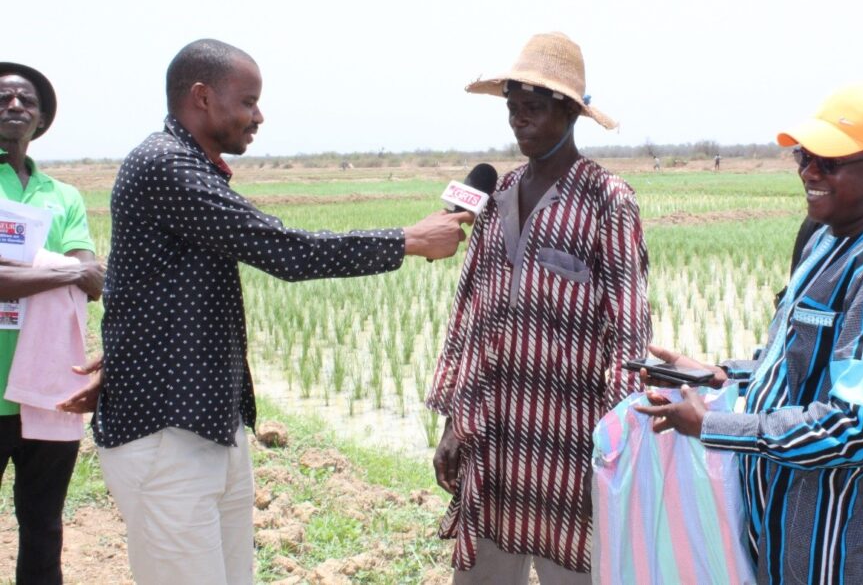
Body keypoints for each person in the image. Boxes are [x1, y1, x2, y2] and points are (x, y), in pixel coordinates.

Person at [86, 39, 472, 585]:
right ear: (202, 97)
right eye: (248, 102)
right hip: (166, 436)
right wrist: (405, 240)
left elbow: (150, 292)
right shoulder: (165, 165)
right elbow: (284, 249)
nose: (258, 116)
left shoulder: (189, 167)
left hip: (207, 426)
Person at [637, 84, 863, 583]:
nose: (809, 172)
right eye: (804, 157)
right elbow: (797, 365)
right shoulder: (826, 240)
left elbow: (853, 428)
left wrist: (714, 426)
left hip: (838, 553)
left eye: (830, 162)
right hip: (779, 539)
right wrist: (720, 375)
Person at [427, 32, 652, 583]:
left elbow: (629, 333)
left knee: (574, 571)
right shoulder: (497, 196)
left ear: (570, 112)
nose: (518, 118)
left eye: (533, 107)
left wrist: (614, 449)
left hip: (569, 449)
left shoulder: (607, 200)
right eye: (513, 106)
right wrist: (455, 421)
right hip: (494, 442)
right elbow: (469, 316)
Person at [0, 62, 105, 584]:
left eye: (27, 100)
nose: (15, 106)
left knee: (44, 527)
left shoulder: (63, 196)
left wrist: (28, 270)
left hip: (48, 388)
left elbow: (94, 279)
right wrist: (64, 269)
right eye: (3, 98)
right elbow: (77, 270)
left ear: (40, 119)